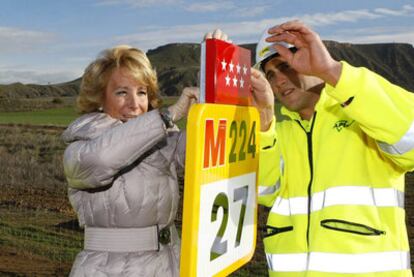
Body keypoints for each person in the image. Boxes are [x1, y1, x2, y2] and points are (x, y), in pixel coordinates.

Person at [250, 20, 414, 276]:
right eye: (270, 75)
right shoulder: (277, 133)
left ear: (313, 60)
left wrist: (332, 72)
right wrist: (265, 121)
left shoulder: (364, 116)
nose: (278, 81)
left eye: (285, 66)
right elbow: (265, 193)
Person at [61, 44, 198, 276]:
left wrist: (213, 71)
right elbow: (103, 158)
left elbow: (206, 156)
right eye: (122, 92)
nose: (135, 105)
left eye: (142, 92)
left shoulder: (163, 140)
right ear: (100, 99)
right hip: (111, 269)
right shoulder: (81, 147)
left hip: (170, 263)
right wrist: (167, 117)